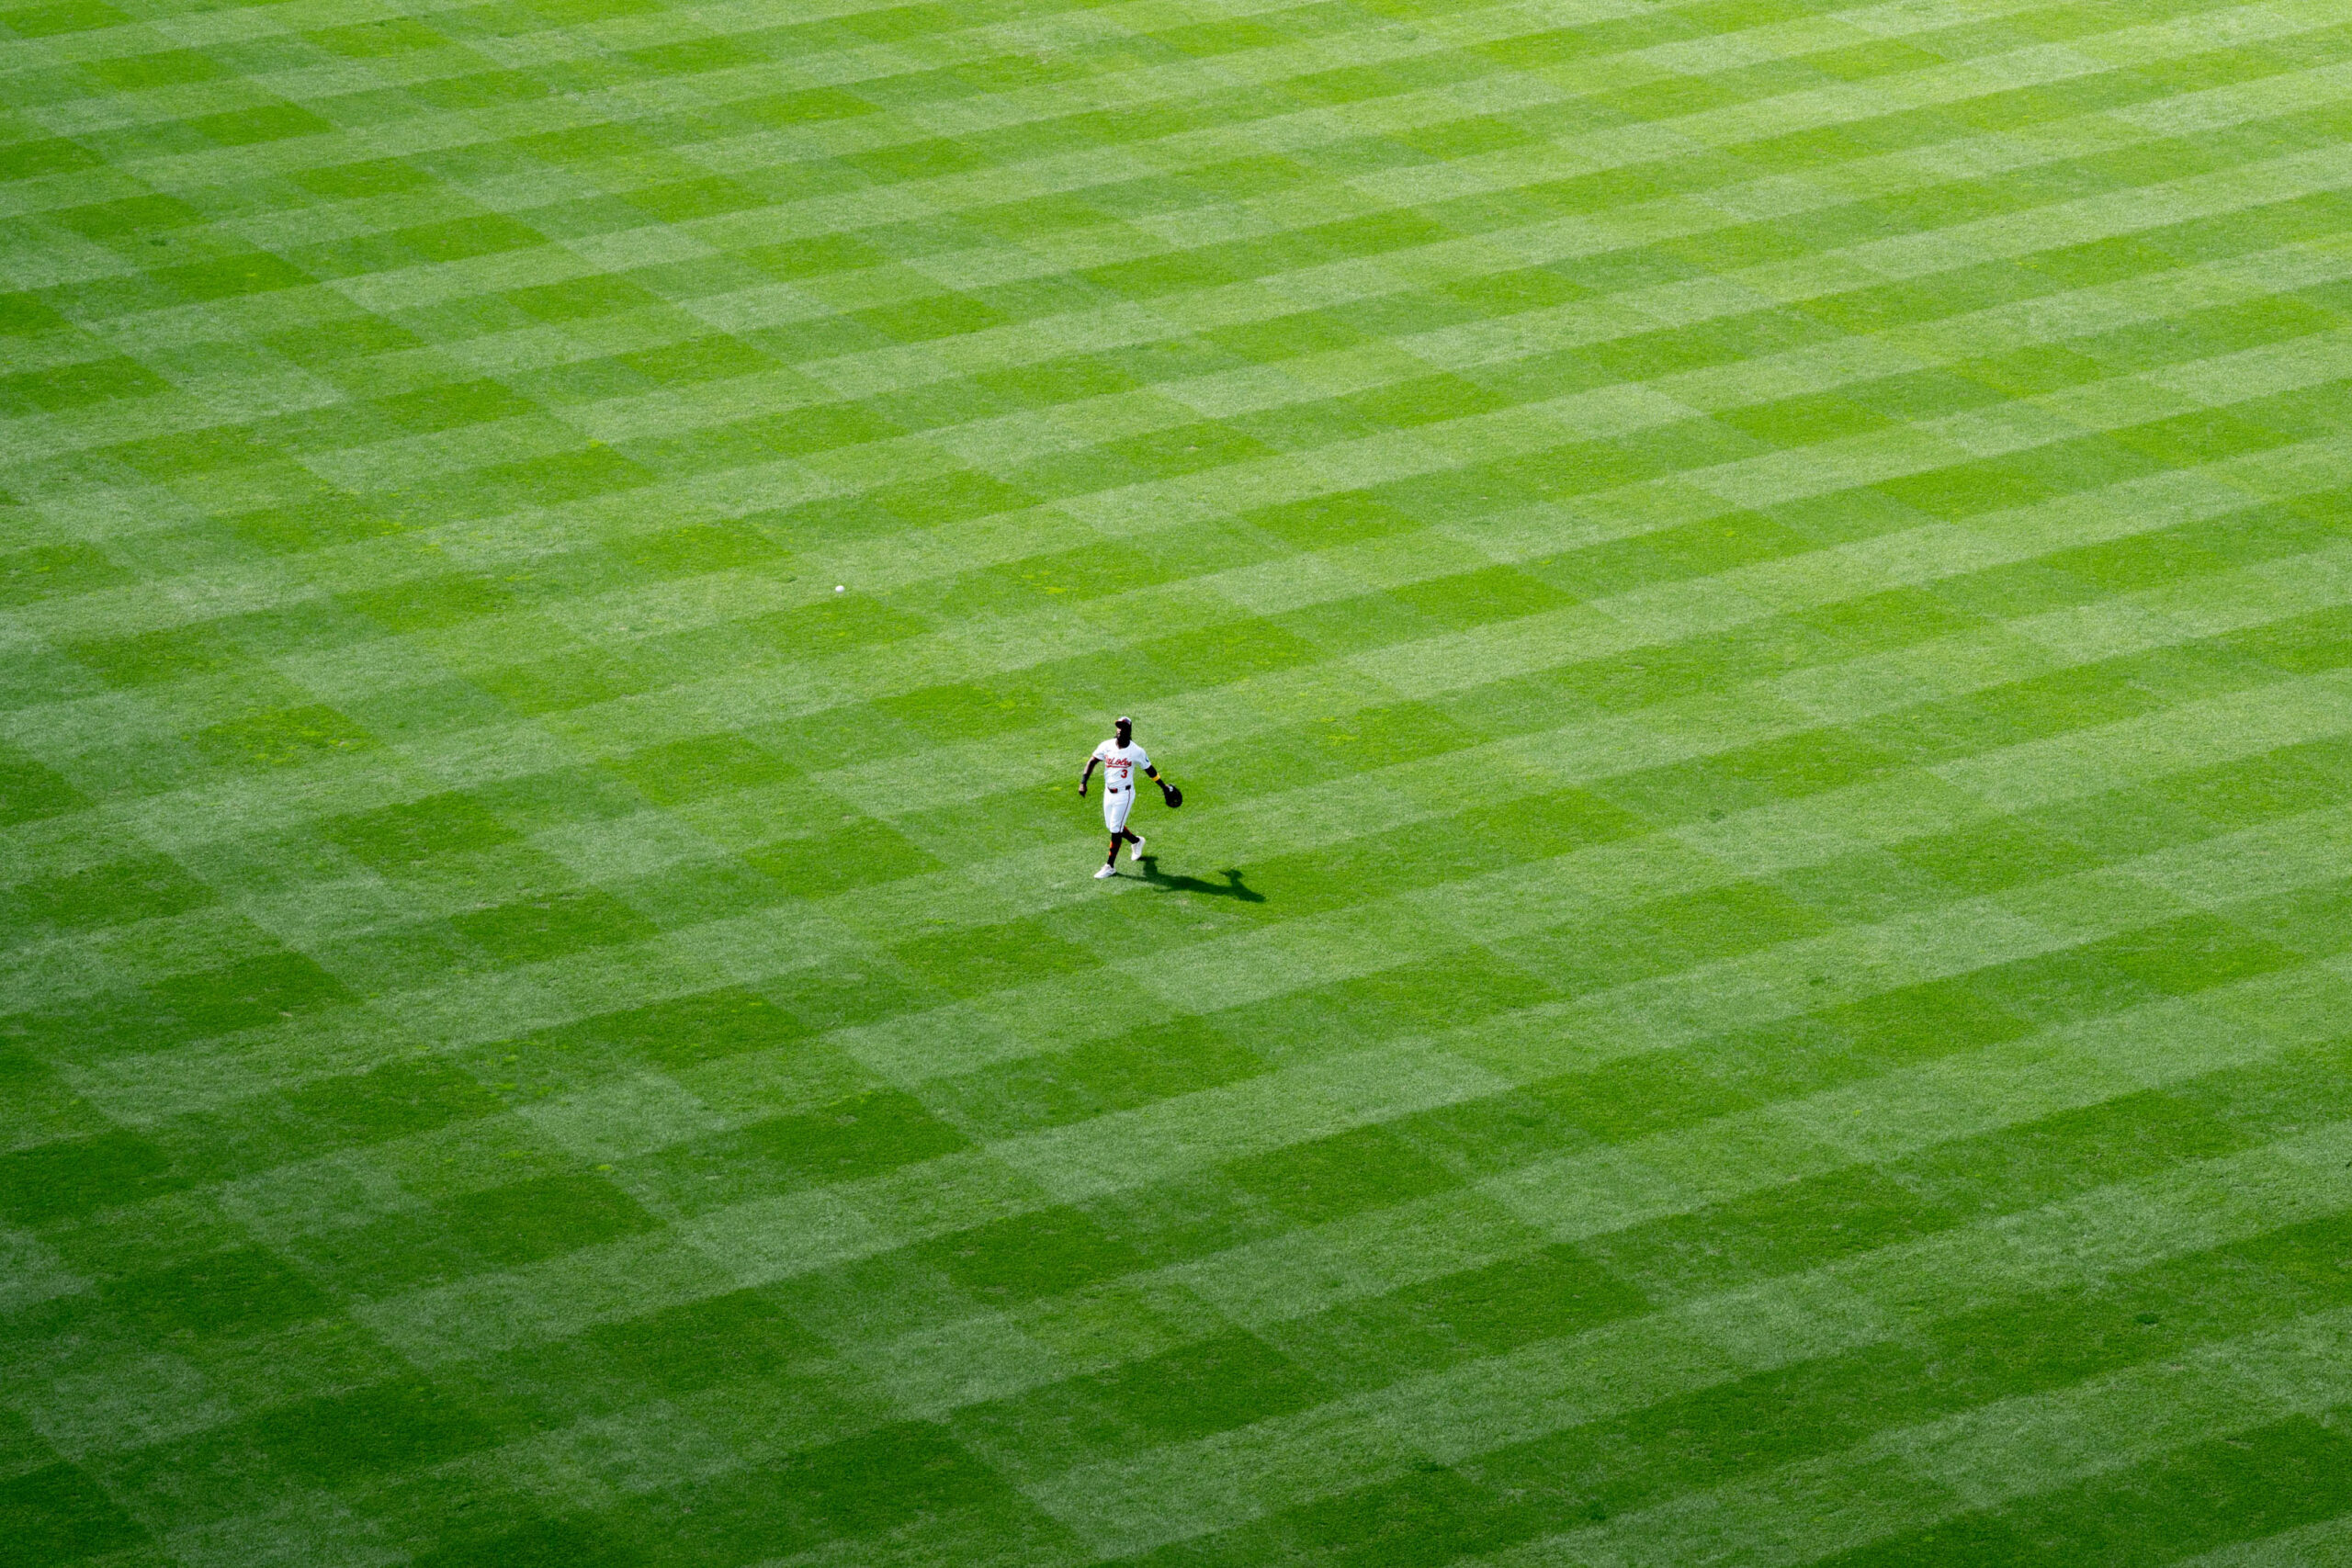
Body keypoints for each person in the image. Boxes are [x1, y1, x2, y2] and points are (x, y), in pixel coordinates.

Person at [1078, 716, 1170, 879]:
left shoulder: (1136, 751)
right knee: (1113, 826)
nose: (1120, 730)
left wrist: (1164, 787)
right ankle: (1136, 841)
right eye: (1118, 727)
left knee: (1115, 829)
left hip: (1124, 795)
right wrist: (1083, 783)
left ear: (1129, 730)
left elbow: (1150, 769)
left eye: (1123, 727)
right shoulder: (1106, 745)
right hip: (1108, 792)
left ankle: (1110, 866)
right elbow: (1092, 761)